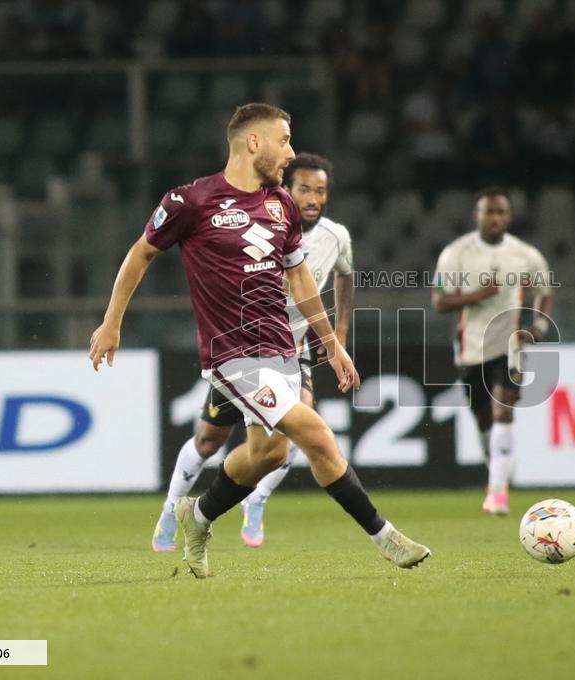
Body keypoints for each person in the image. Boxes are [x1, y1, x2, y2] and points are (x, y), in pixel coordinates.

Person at [90, 103, 429, 577]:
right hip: (232, 356)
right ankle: (385, 536)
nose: (290, 153)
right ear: (254, 143)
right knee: (316, 435)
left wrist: (331, 342)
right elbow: (141, 253)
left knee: (269, 454)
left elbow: (301, 279)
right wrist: (112, 322)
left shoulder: (281, 204)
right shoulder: (192, 201)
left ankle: (198, 514)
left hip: (283, 351)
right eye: (284, 140)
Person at [150, 152, 355, 551]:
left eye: (321, 191)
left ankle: (257, 500)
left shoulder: (336, 237)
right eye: (304, 189)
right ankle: (170, 509)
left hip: (293, 353)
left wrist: (340, 330)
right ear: (286, 188)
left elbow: (345, 276)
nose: (312, 198)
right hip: (244, 354)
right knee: (208, 441)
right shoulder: (260, 223)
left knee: (297, 433)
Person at [431, 188, 554, 515]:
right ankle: (496, 467)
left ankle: (497, 493)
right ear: (478, 216)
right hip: (471, 350)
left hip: (509, 347)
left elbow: (545, 291)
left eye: (501, 213)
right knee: (484, 419)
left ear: (508, 217)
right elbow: (440, 301)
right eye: (489, 212)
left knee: (504, 411)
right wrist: (478, 294)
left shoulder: (525, 255)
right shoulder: (456, 254)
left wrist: (538, 327)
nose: (495, 218)